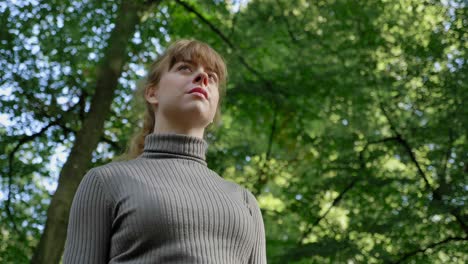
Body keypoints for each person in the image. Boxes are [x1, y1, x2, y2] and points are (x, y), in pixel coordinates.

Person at [63, 39, 267, 263]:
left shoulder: (244, 201)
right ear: (152, 93)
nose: (203, 77)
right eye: (184, 68)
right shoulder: (105, 182)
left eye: (213, 76)